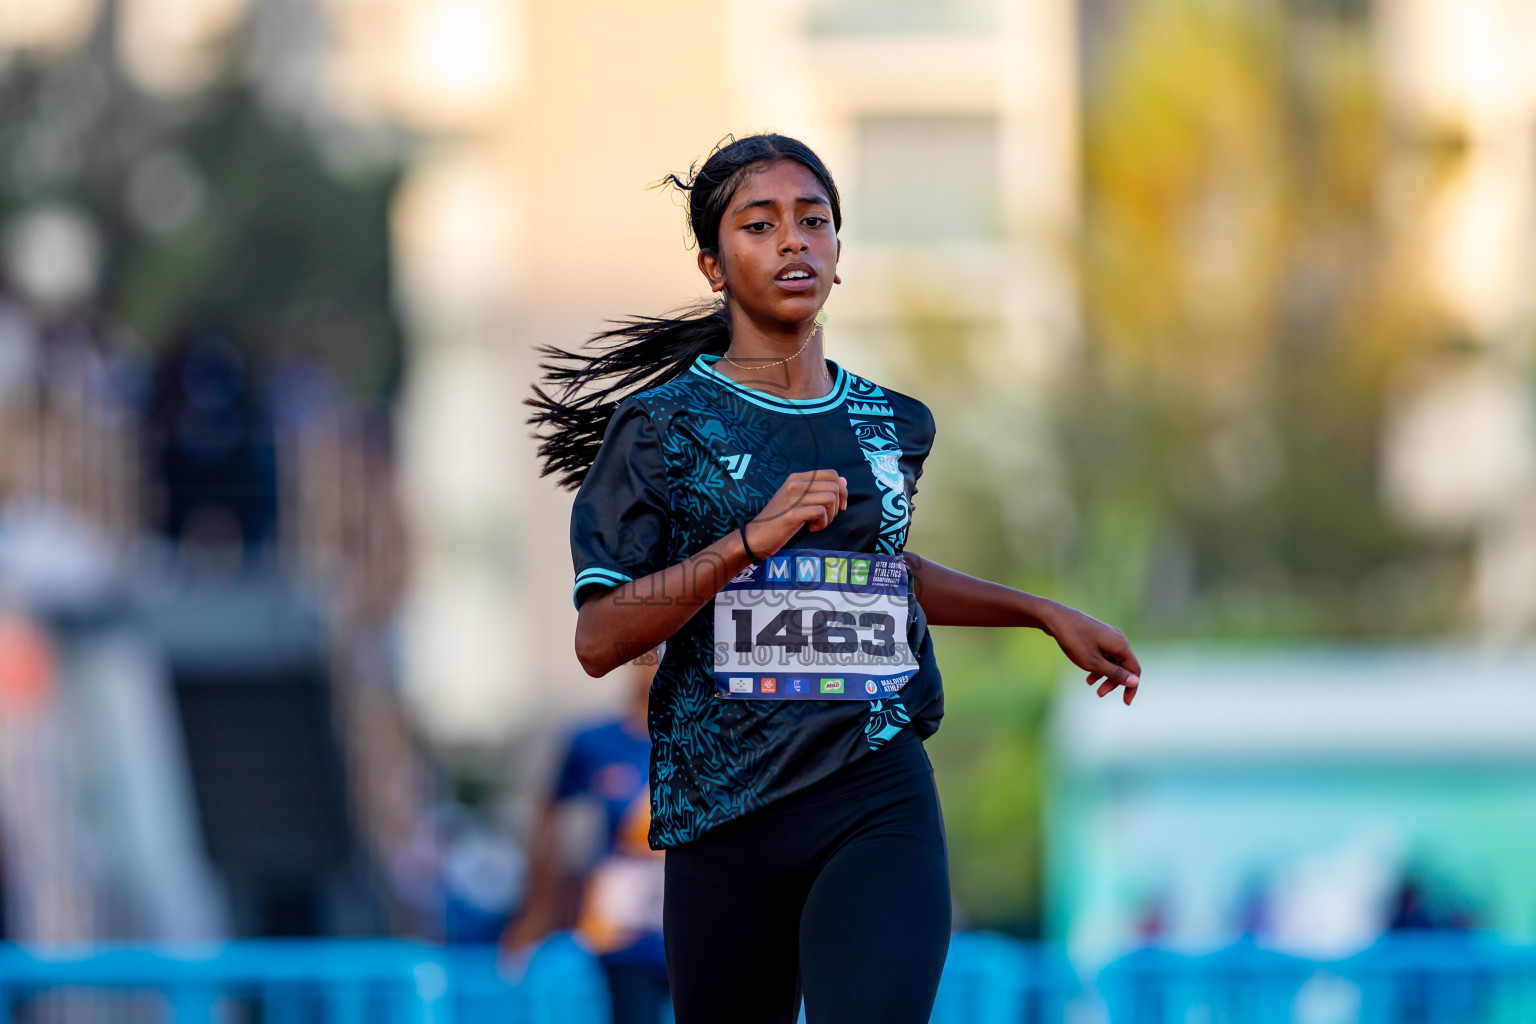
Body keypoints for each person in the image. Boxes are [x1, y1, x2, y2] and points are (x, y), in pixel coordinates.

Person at [527, 133, 1141, 1024]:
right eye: (760, 224)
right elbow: (602, 637)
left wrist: (1039, 612)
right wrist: (748, 540)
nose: (793, 243)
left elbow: (880, 574)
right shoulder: (659, 429)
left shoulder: (893, 423)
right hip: (725, 813)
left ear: (840, 254)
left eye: (814, 222)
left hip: (873, 792)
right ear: (713, 263)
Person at [503, 650, 668, 1024]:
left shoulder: (711, 741)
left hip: (697, 917)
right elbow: (549, 827)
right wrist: (536, 912)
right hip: (625, 934)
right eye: (649, 655)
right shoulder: (593, 742)